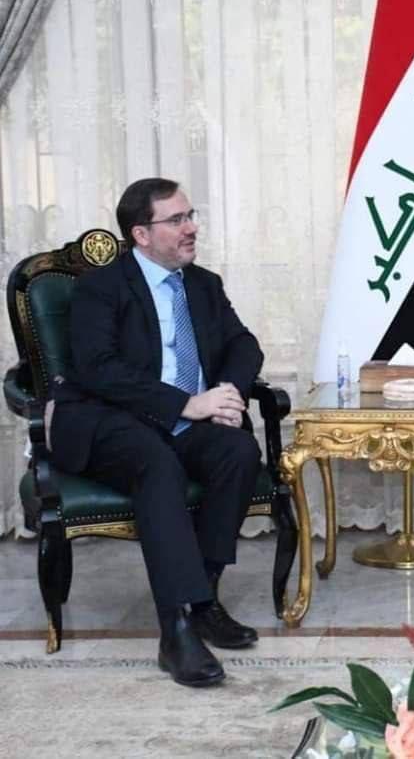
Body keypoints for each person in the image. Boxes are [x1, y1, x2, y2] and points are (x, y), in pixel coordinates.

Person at [50, 178, 264, 686]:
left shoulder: (204, 284)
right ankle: (176, 628)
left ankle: (204, 597)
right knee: (156, 462)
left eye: (191, 216)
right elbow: (99, 368)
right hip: (108, 420)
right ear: (141, 234)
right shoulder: (100, 288)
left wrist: (227, 393)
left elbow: (244, 344)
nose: (191, 228)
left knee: (238, 450)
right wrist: (187, 403)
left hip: (182, 421)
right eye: (177, 220)